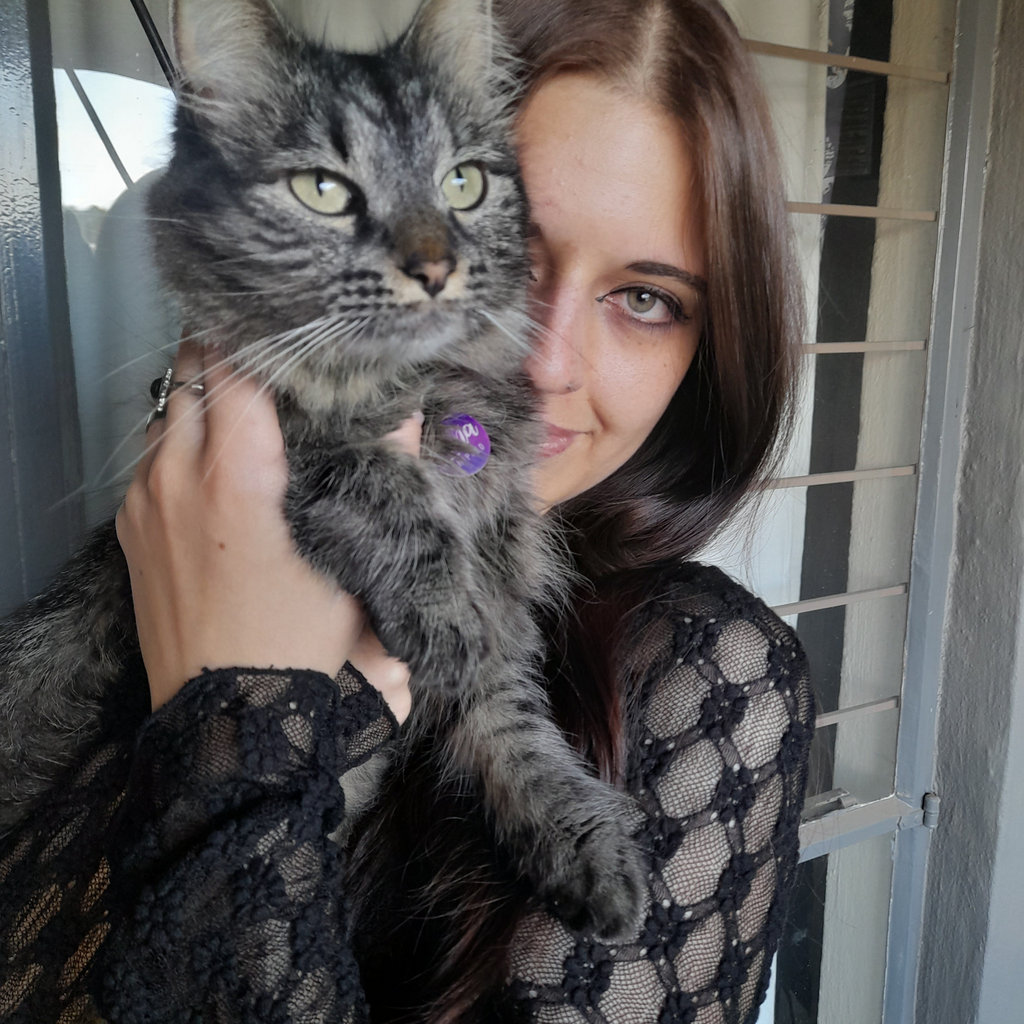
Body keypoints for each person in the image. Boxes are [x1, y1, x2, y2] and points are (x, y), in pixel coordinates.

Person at [0, 0, 814, 1021]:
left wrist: (236, 724)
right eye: (525, 248)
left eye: (646, 298)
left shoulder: (710, 683)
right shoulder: (176, 523)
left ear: (711, 342)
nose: (546, 363)